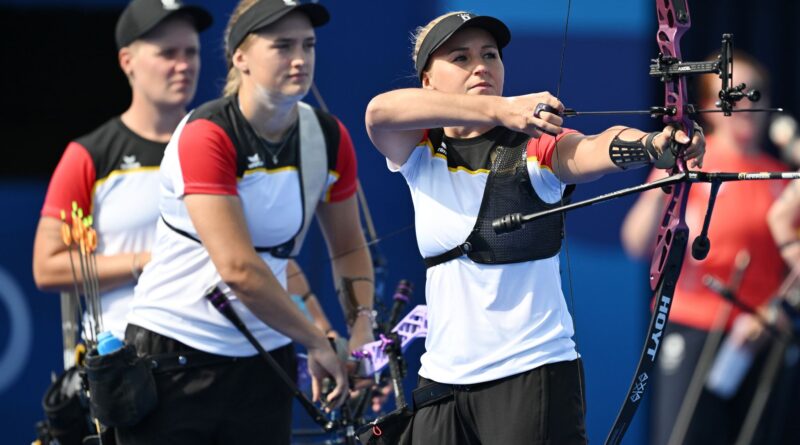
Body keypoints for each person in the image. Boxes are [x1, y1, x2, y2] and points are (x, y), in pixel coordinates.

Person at [364, 11, 705, 445]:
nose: (481, 66)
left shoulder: (534, 149)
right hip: (441, 385)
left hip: (530, 375)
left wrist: (656, 145)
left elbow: (591, 149)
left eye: (490, 55)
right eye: (461, 57)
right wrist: (499, 109)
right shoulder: (419, 150)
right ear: (428, 81)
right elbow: (380, 111)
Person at [118, 1, 374, 443]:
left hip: (264, 362)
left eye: (308, 45)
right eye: (282, 46)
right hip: (171, 360)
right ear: (240, 57)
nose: (300, 58)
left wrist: (360, 329)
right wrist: (316, 340)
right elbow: (237, 268)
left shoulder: (330, 137)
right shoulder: (207, 133)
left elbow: (348, 247)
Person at [621, 52, 788, 445]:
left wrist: (775, 312)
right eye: (734, 93)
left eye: (754, 94)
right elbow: (636, 242)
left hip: (756, 335)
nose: (746, 105)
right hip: (692, 325)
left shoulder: (779, 175)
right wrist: (666, 175)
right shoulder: (688, 161)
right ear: (712, 104)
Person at [32, 0, 211, 341]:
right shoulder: (90, 155)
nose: (184, 65)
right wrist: (147, 261)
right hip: (125, 360)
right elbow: (47, 266)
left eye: (192, 52)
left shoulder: (219, 144)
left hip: (215, 353)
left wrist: (316, 322)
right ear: (127, 61)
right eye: (167, 53)